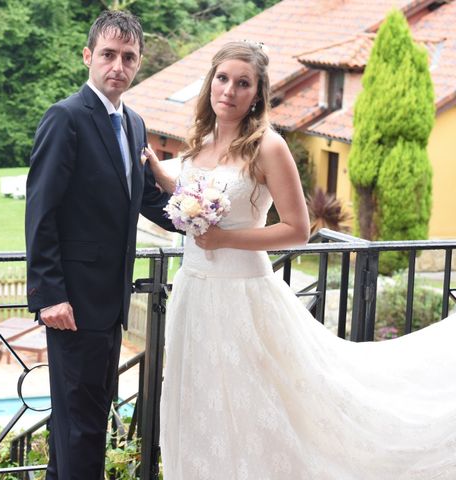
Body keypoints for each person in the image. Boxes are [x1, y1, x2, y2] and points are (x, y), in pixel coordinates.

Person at [143, 41, 456, 479]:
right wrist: (164, 177)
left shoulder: (268, 147)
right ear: (209, 83)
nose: (229, 90)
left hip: (244, 299)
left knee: (257, 406)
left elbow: (297, 228)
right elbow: (194, 198)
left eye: (243, 83)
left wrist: (226, 242)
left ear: (257, 94)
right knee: (200, 400)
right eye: (222, 78)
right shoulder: (199, 143)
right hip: (193, 293)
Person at [25, 10, 175, 479]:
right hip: (71, 304)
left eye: (129, 57)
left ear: (139, 64)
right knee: (80, 427)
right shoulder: (66, 117)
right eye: (108, 54)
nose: (118, 65)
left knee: (85, 420)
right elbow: (41, 211)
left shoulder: (133, 123)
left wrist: (200, 218)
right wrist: (50, 295)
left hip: (110, 304)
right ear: (88, 56)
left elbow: (146, 198)